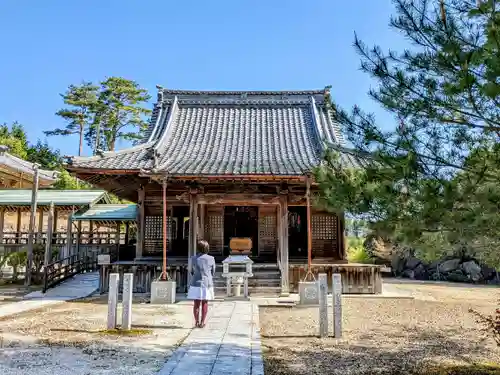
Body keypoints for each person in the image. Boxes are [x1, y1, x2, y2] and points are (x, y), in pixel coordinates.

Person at [187, 239, 215, 328]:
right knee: (205, 303)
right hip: (207, 283)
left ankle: (196, 322)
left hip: (196, 282)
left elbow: (190, 270)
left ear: (198, 248)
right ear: (207, 248)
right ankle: (202, 322)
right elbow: (213, 272)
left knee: (196, 303)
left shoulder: (193, 258)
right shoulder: (211, 258)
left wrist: (195, 276)